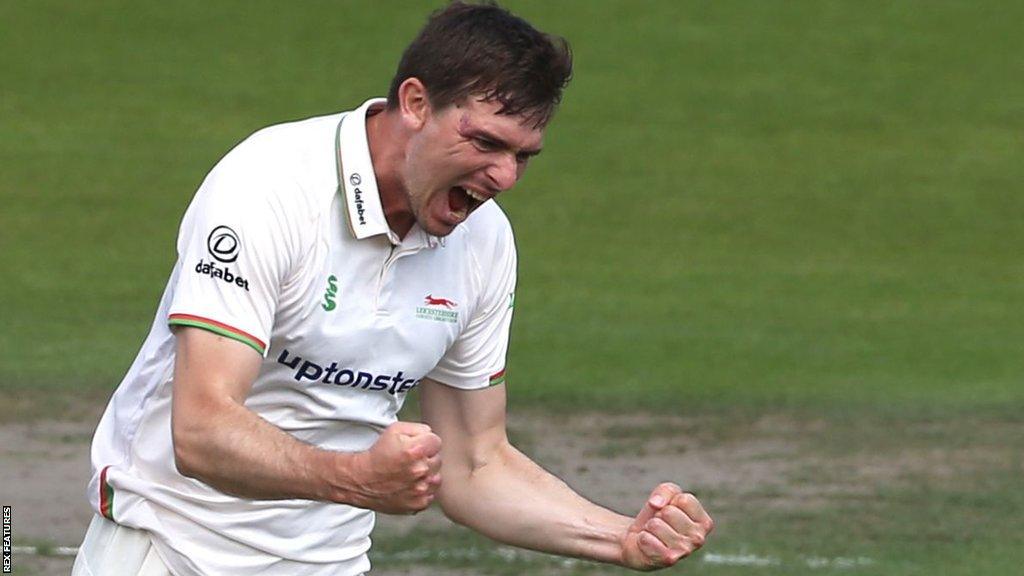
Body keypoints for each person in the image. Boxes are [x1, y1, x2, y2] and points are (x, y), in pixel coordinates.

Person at [73, 2, 713, 575]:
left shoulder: (483, 242)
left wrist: (621, 537)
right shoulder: (269, 185)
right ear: (414, 104)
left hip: (330, 564)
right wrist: (355, 479)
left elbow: (474, 464)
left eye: (524, 155)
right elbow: (202, 430)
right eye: (486, 142)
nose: (505, 177)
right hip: (162, 552)